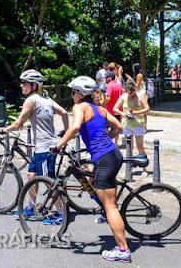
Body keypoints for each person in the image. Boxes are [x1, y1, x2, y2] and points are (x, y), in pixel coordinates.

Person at [53, 76, 130, 263]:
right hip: (113, 155)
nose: (72, 96)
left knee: (110, 205)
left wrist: (59, 145)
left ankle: (123, 250)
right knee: (100, 189)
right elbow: (118, 126)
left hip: (104, 159)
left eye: (73, 92)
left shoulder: (79, 107)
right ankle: (108, 214)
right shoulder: (100, 109)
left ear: (80, 94)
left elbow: (76, 126)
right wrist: (103, 142)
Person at [4, 69, 69, 221]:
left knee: (48, 181)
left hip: (45, 149)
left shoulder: (30, 101)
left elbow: (19, 123)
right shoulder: (46, 99)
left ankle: (61, 213)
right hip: (42, 147)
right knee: (31, 175)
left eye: (24, 83)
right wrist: (65, 132)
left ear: (34, 85)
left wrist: (3, 129)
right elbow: (64, 113)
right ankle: (30, 207)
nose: (21, 86)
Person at [114, 80, 150, 175]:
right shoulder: (123, 97)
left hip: (138, 124)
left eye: (132, 92)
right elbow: (115, 108)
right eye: (129, 93)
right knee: (129, 148)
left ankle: (144, 168)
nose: (131, 95)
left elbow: (147, 108)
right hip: (127, 124)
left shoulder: (140, 96)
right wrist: (122, 114)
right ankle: (129, 169)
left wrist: (136, 113)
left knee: (140, 147)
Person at [103, 71, 123, 146]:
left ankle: (108, 142)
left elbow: (108, 98)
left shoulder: (110, 85)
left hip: (110, 110)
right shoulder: (119, 85)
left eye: (106, 77)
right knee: (116, 127)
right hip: (118, 110)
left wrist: (102, 104)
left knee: (107, 127)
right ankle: (116, 142)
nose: (105, 79)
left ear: (110, 78)